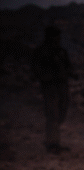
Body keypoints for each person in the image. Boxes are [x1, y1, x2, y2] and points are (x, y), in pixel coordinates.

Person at [30, 25, 77, 154]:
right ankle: (53, 144)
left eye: (58, 36)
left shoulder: (61, 51)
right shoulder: (41, 52)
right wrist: (47, 77)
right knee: (53, 114)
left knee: (61, 112)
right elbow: (36, 69)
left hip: (62, 86)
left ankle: (53, 141)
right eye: (55, 36)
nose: (58, 39)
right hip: (50, 87)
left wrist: (71, 73)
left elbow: (68, 66)